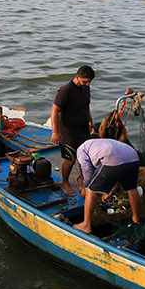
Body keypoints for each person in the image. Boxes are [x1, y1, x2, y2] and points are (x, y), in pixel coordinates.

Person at [72, 138, 141, 234]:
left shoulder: (81, 150)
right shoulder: (97, 143)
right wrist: (110, 191)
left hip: (112, 158)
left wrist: (87, 186)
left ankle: (86, 225)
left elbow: (87, 170)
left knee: (90, 190)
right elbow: (116, 173)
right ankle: (136, 218)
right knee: (132, 188)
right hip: (133, 157)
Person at [51, 65, 95, 196]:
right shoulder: (66, 91)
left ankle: (84, 183)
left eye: (89, 82)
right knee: (70, 159)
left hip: (83, 129)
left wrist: (90, 121)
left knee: (85, 159)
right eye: (84, 82)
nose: (86, 85)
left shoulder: (86, 88)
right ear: (77, 77)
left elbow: (86, 106)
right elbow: (55, 110)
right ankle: (65, 182)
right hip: (68, 131)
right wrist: (55, 132)